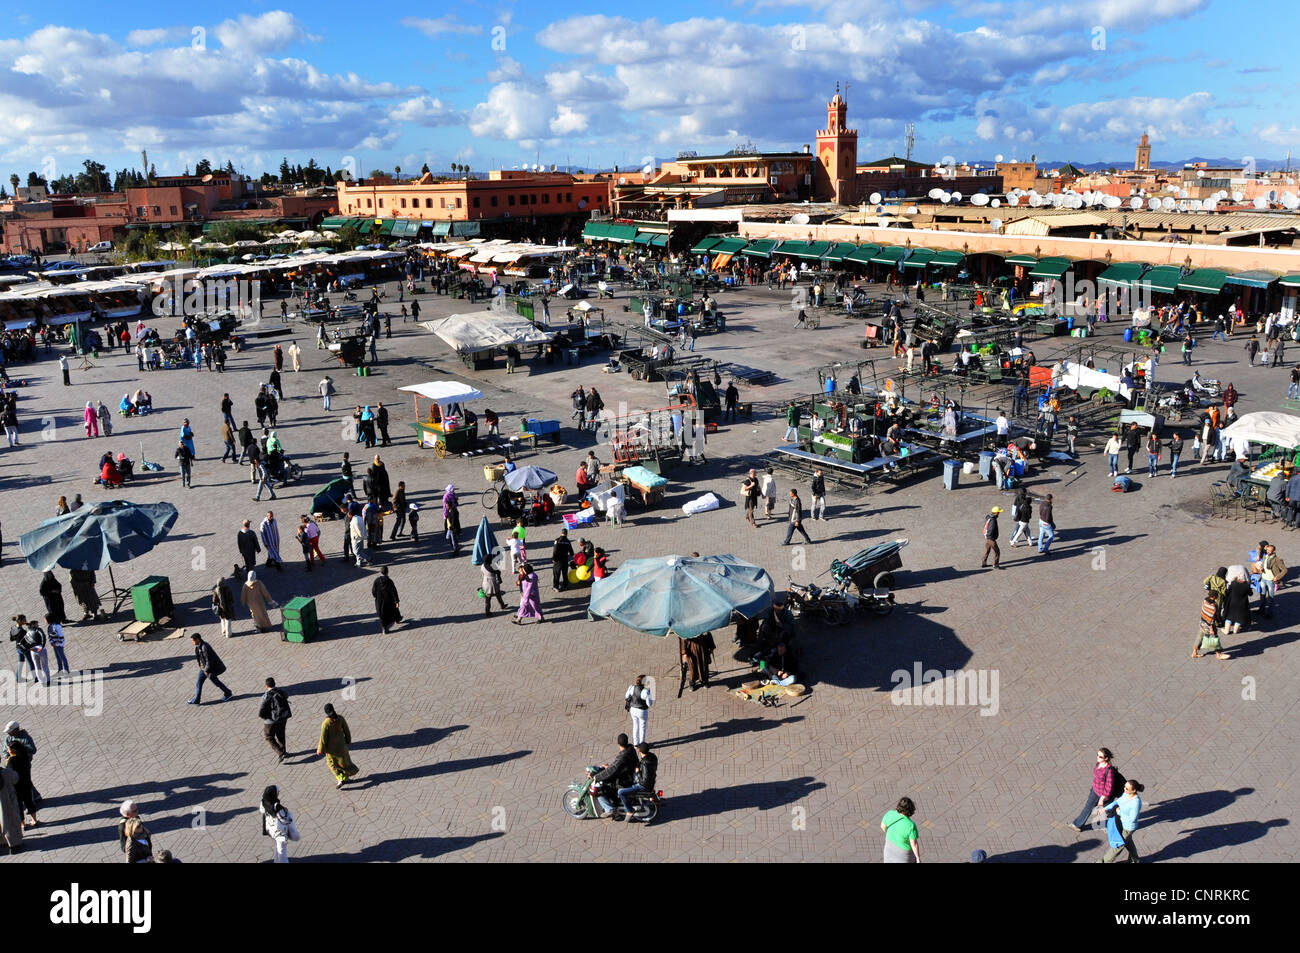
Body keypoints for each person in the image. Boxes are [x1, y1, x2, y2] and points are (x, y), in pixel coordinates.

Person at [1067, 747, 1120, 831]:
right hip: (1095, 790)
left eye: (1100, 756)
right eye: (1097, 755)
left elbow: (1108, 787)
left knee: (1089, 808)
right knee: (1100, 808)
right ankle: (1116, 813)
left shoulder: (1109, 771)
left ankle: (1077, 825)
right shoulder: (1099, 764)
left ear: (1106, 758)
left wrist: (1102, 799)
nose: (1097, 757)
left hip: (1100, 794)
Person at [592, 734, 638, 818]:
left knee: (598, 787)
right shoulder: (631, 749)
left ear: (618, 743)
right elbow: (616, 767)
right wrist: (609, 767)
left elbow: (613, 770)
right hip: (629, 775)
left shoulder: (622, 757)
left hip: (624, 780)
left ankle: (609, 809)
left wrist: (597, 777)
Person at [1100, 779, 1145, 863]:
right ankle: (1134, 860)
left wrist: (1119, 812)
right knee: (1128, 843)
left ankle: (1103, 861)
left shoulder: (1136, 803)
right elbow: (1117, 802)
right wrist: (1105, 809)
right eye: (1125, 787)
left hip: (1128, 827)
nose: (1124, 789)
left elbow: (1132, 819)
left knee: (1118, 845)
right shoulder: (1126, 794)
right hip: (1120, 823)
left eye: (1127, 788)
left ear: (1134, 790)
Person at [317, 703, 359, 789]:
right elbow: (346, 730)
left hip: (331, 749)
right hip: (342, 746)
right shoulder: (340, 718)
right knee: (343, 762)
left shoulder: (326, 723)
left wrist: (320, 749)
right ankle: (345, 778)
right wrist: (348, 740)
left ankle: (340, 779)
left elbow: (323, 737)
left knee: (332, 764)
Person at [187, 632, 233, 704]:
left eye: (193, 640)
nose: (192, 642)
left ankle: (228, 693)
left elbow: (209, 660)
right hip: (204, 668)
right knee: (199, 683)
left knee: (216, 682)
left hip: (210, 669)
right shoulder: (198, 646)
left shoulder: (204, 647)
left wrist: (206, 670)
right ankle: (197, 700)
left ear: (198, 639)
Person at [617, 743, 658, 822]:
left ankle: (629, 810)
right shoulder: (653, 757)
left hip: (643, 786)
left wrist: (638, 772)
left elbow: (644, 780)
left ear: (639, 750)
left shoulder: (645, 763)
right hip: (651, 782)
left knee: (620, 792)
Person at [260, 785, 300, 862]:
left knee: (278, 848)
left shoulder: (264, 803)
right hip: (280, 832)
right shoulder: (277, 807)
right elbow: (285, 820)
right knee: (282, 852)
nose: (279, 793)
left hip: (271, 830)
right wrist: (287, 813)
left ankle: (276, 861)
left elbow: (262, 811)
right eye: (278, 792)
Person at [258, 677, 292, 762]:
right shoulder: (281, 691)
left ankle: (280, 752)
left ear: (266, 686)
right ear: (274, 683)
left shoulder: (265, 696)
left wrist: (264, 717)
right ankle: (283, 751)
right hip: (283, 717)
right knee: (281, 734)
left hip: (270, 720)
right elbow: (286, 696)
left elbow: (261, 709)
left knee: (269, 736)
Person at [881, 797, 920, 863]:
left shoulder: (890, 813)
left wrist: (893, 833)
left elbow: (882, 826)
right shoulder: (911, 825)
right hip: (903, 855)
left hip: (889, 849)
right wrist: (918, 858)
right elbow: (914, 844)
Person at [372, 566, 402, 634]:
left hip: (379, 602)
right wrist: (396, 601)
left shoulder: (376, 580)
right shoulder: (389, 581)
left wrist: (376, 596)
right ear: (387, 572)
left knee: (382, 615)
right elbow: (394, 592)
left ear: (380, 572)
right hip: (389, 601)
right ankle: (398, 618)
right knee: (395, 609)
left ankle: (384, 628)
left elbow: (373, 591)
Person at [1222, 568, 1251, 637]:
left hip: (1233, 603)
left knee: (1229, 616)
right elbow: (1250, 593)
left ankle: (1226, 630)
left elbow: (1228, 591)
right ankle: (1235, 630)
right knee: (1239, 617)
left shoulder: (1233, 583)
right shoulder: (1246, 585)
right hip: (1242, 604)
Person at [625, 675, 653, 745]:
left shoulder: (631, 687)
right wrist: (650, 695)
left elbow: (626, 696)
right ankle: (642, 743)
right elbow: (649, 704)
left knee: (635, 724)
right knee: (642, 726)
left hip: (633, 709)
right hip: (642, 711)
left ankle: (635, 743)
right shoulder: (645, 691)